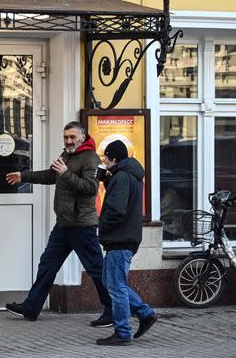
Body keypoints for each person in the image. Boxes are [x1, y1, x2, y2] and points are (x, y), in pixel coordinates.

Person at [4, 121, 113, 326]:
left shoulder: (91, 158)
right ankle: (31, 307)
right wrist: (23, 176)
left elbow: (90, 188)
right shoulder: (67, 155)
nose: (69, 141)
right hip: (64, 224)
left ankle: (112, 310)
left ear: (82, 137)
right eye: (66, 137)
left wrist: (66, 174)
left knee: (96, 270)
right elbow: (50, 175)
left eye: (72, 137)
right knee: (47, 264)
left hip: (82, 225)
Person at [96, 139, 158, 345]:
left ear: (113, 158)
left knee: (116, 287)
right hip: (124, 238)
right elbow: (122, 199)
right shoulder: (128, 174)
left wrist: (102, 226)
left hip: (120, 239)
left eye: (106, 158)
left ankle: (123, 332)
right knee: (110, 282)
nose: (104, 162)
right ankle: (145, 313)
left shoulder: (122, 177)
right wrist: (106, 180)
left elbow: (116, 209)